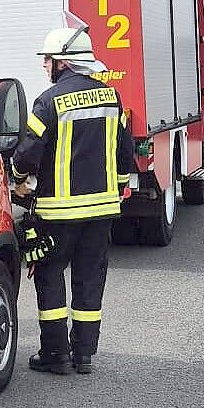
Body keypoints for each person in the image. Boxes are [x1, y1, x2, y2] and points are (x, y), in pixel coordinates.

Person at [11, 27, 134, 374]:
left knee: (49, 276)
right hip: (103, 211)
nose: (45, 66)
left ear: (63, 62)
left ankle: (56, 355)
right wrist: (119, 188)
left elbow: (27, 153)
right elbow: (124, 153)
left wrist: (19, 180)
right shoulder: (112, 98)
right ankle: (83, 354)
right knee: (89, 278)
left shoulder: (48, 102)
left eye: (47, 60)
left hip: (57, 213)